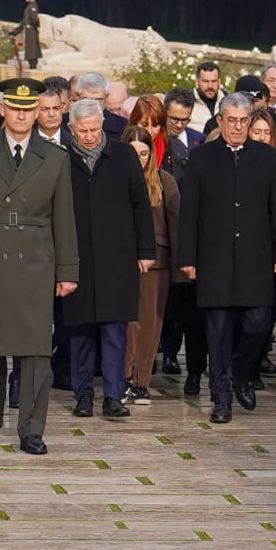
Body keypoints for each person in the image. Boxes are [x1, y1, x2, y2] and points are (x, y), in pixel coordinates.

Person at [0, 78, 78, 455]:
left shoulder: (55, 158)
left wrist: (67, 271)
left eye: (28, 109)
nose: (21, 116)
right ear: (2, 110)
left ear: (38, 112)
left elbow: (64, 219)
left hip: (36, 262)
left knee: (37, 351)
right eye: (14, 109)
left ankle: (32, 430)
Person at [176, 93, 276, 424]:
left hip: (256, 258)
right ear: (221, 121)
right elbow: (189, 213)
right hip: (214, 258)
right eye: (232, 121)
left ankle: (241, 374)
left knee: (258, 325)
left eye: (244, 121)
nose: (239, 127)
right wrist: (188, 257)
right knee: (218, 332)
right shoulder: (201, 158)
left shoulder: (267, 158)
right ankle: (221, 397)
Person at [61, 100, 154, 419]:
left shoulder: (124, 154)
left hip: (117, 256)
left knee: (115, 328)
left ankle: (113, 395)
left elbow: (141, 204)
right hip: (77, 257)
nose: (89, 136)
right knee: (81, 329)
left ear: (103, 124)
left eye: (94, 128)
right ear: (71, 128)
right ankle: (83, 393)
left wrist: (145, 251)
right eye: (82, 130)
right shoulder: (62, 158)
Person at [120, 124, 178, 406]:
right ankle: (123, 376)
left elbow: (176, 223)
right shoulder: (114, 179)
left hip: (157, 262)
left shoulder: (164, 181)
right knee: (126, 322)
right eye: (133, 153)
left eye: (143, 153)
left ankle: (141, 380)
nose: (138, 159)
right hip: (122, 260)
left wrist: (182, 268)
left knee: (150, 324)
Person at [7, 0, 42, 70]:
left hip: (32, 32)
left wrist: (32, 26)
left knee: (32, 53)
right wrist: (14, 32)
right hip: (29, 31)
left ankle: (33, 69)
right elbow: (23, 23)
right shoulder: (28, 7)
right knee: (30, 52)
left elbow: (35, 20)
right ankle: (32, 68)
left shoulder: (33, 7)